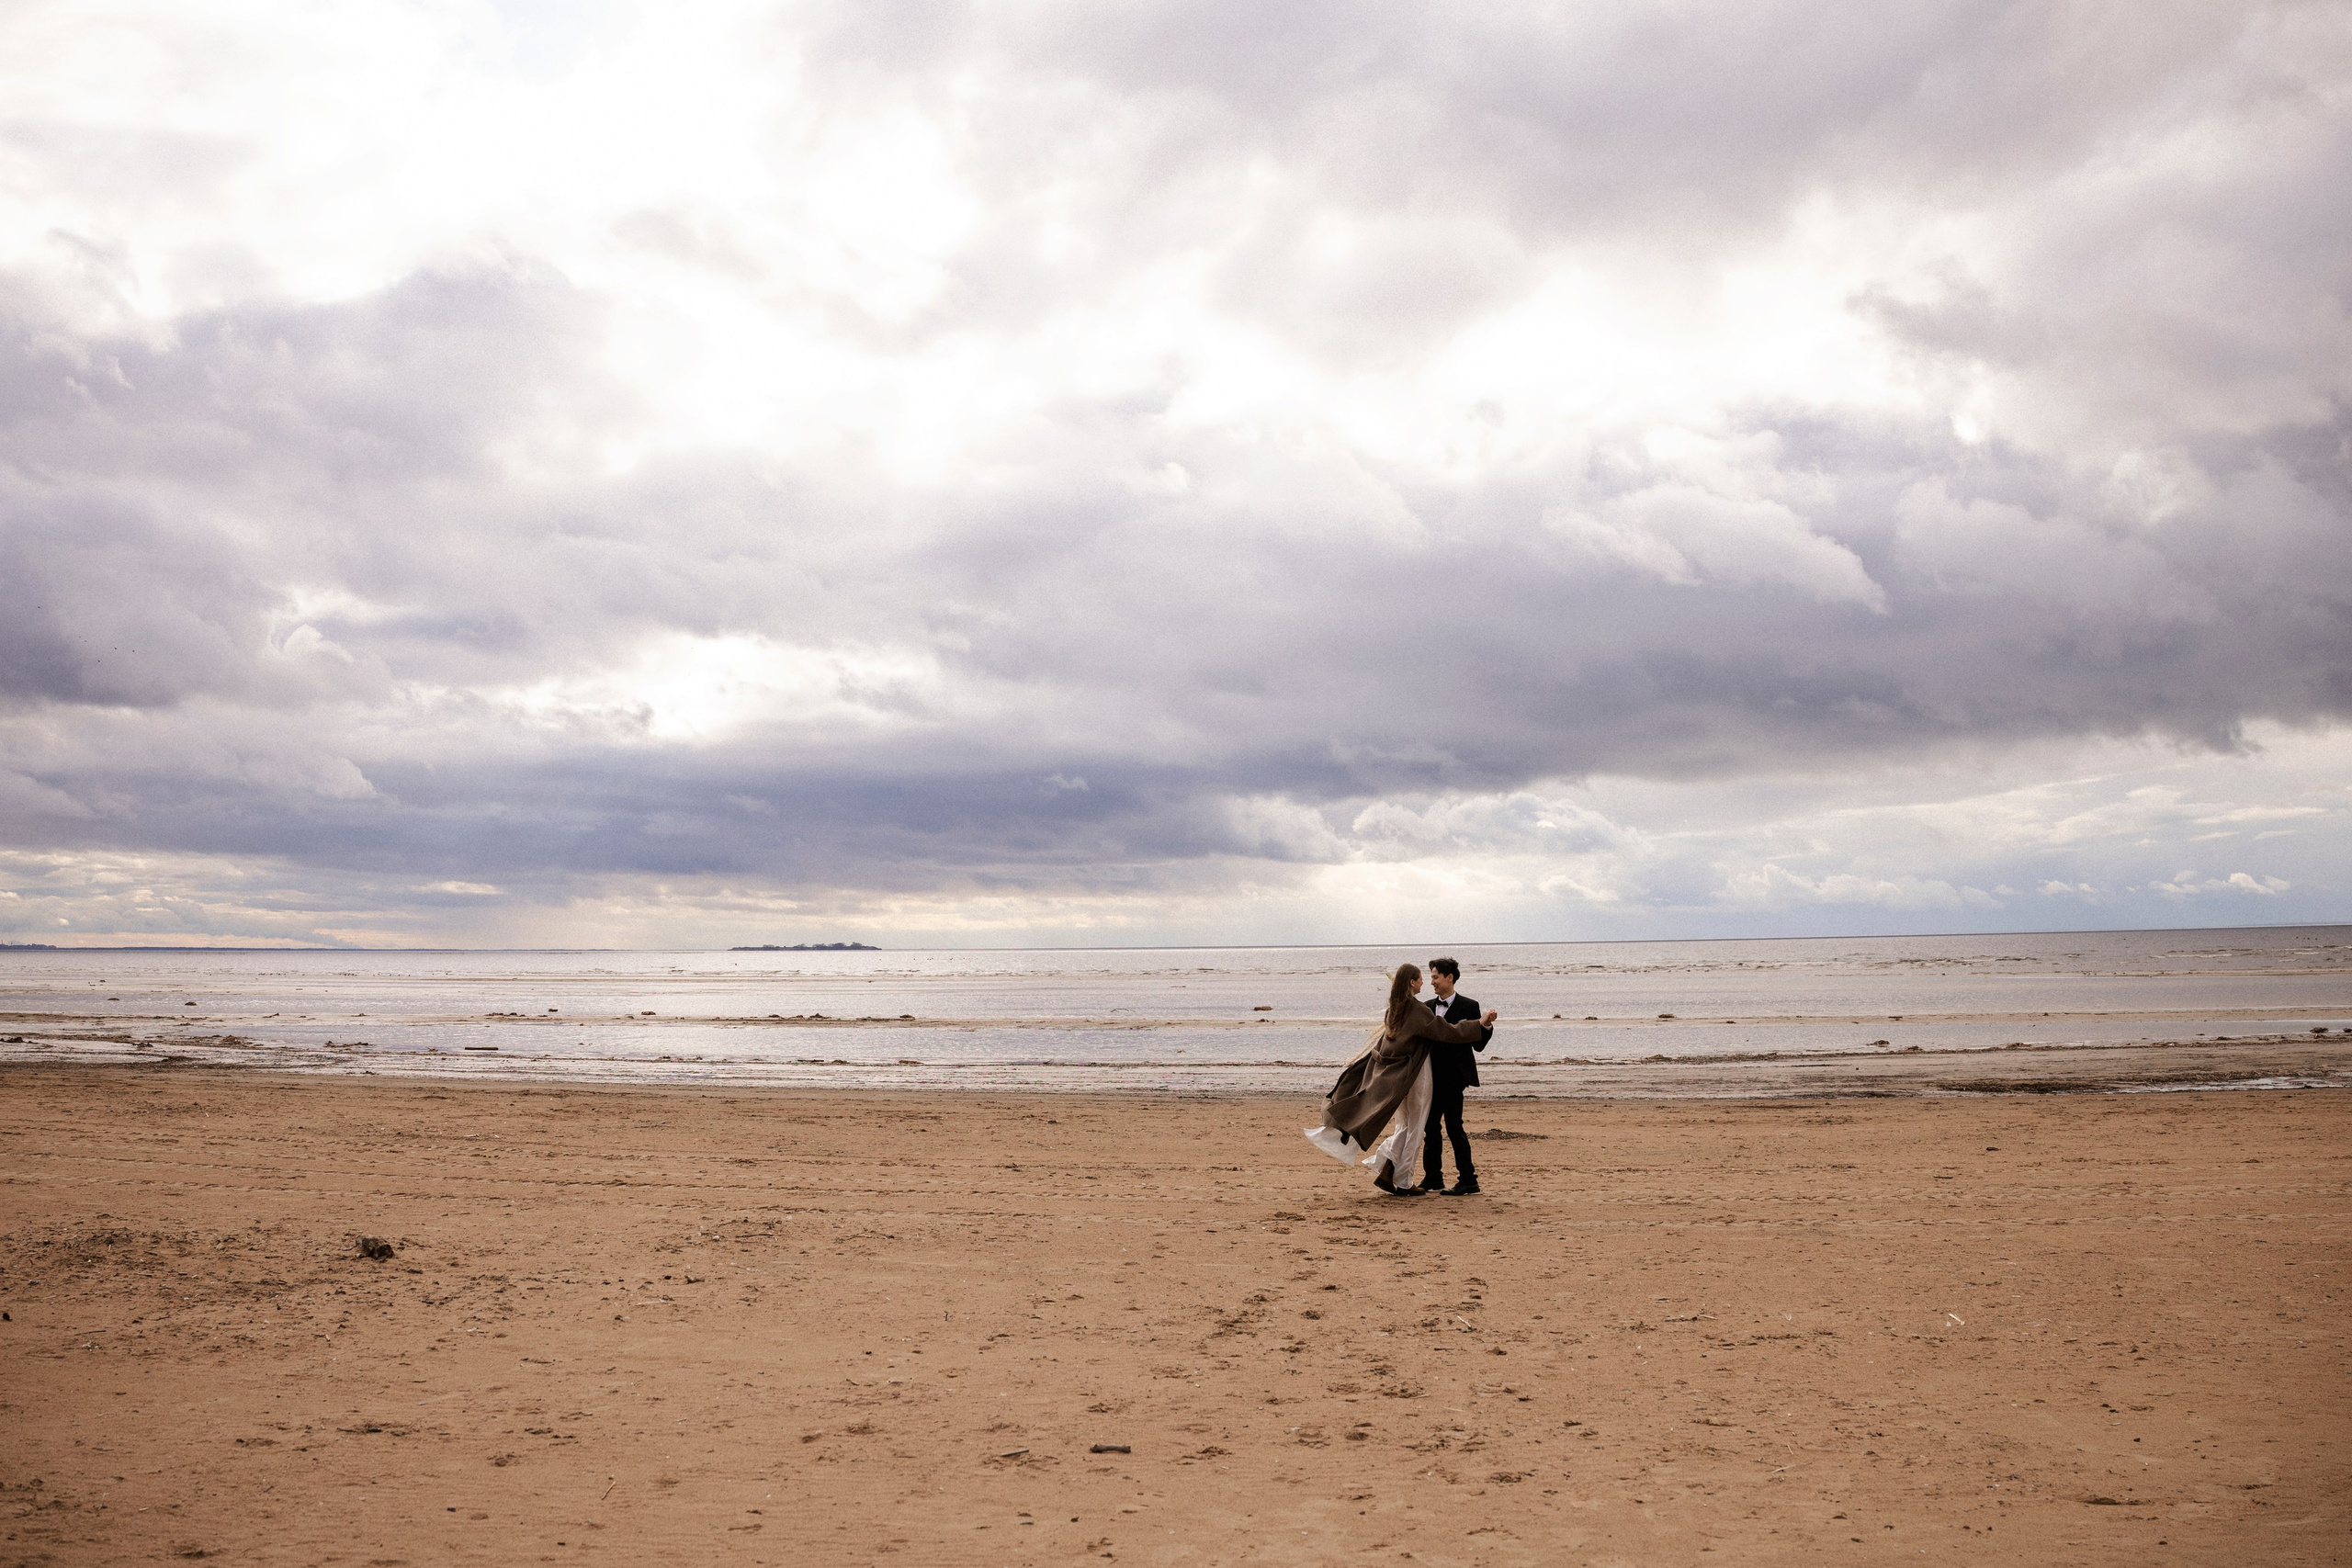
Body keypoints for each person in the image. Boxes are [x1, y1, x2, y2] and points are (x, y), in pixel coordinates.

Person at [1304, 964, 1498, 1196]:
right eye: (1423, 979)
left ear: (1450, 977)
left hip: (1413, 1079)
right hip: (1418, 1075)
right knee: (1416, 1127)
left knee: (1407, 1125)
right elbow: (1447, 1031)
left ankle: (1390, 1169)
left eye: (1433, 977)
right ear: (1412, 983)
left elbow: (1386, 1047)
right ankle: (1403, 1179)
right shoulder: (1419, 1010)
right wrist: (1479, 1023)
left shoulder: (1394, 1010)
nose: (1427, 982)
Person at [1417, 957, 1492, 1195]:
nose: (1432, 982)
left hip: (1454, 1078)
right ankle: (1433, 1178)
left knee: (1454, 1128)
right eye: (1430, 977)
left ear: (1450, 978)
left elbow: (1478, 1046)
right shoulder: (1426, 1006)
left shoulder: (1470, 1006)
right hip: (1430, 1077)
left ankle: (1469, 1180)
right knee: (1430, 1129)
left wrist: (1486, 1026)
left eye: (1436, 977)